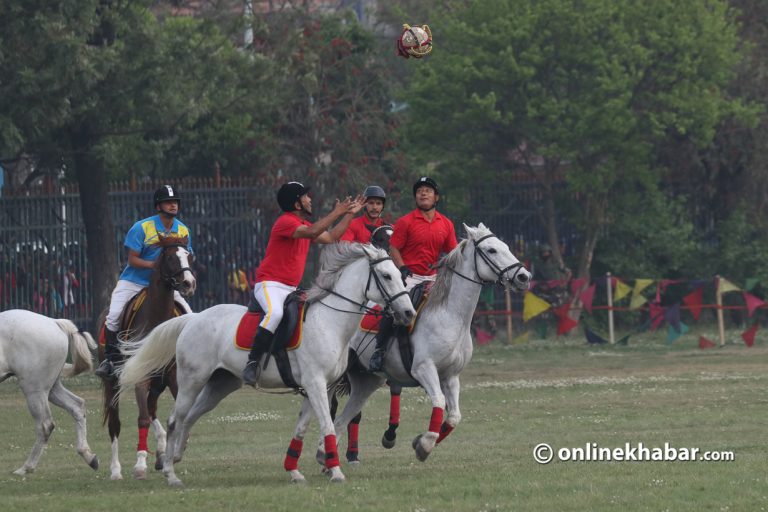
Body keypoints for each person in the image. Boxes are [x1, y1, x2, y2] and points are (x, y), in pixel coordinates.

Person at [242, 181, 364, 386]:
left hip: (291, 288)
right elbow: (313, 232)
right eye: (306, 196)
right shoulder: (285, 222)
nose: (310, 199)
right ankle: (252, 362)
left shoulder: (305, 225)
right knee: (275, 314)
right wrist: (337, 212)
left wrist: (349, 214)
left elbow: (332, 237)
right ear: (297, 204)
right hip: (269, 284)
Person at [95, 185, 193, 379]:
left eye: (175, 202)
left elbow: (188, 256)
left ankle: (191, 359)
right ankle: (111, 359)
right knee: (113, 315)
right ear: (158, 206)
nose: (173, 205)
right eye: (168, 202)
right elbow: (133, 260)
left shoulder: (182, 230)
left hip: (165, 285)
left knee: (191, 317)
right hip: (134, 281)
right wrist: (155, 266)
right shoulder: (141, 227)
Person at [368, 176, 458, 371]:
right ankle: (380, 350)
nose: (423, 193)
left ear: (436, 197)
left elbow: (452, 254)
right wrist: (402, 268)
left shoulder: (446, 224)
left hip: (434, 279)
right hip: (410, 278)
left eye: (427, 190)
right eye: (419, 191)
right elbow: (394, 249)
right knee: (394, 311)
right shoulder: (405, 221)